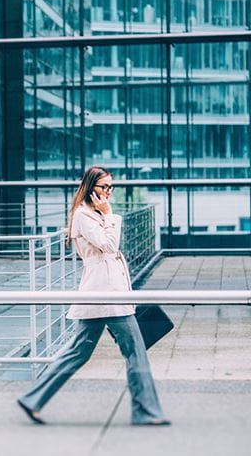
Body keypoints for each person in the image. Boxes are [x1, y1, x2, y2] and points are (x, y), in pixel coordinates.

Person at [17, 166, 170, 426]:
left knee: (78, 351)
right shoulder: (84, 215)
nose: (108, 192)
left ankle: (33, 398)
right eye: (104, 187)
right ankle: (146, 411)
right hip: (106, 296)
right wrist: (109, 216)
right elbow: (108, 245)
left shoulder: (94, 214)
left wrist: (106, 215)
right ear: (90, 188)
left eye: (111, 187)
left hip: (104, 294)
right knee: (135, 352)